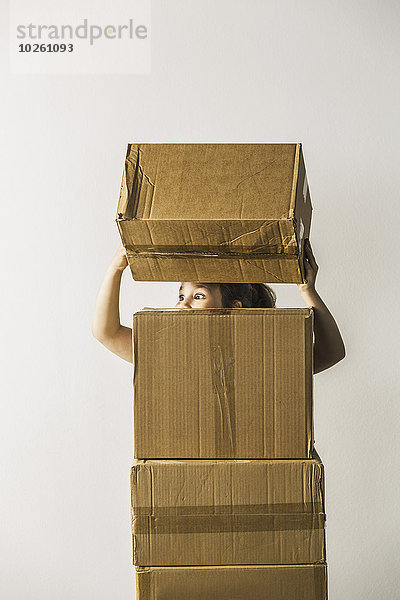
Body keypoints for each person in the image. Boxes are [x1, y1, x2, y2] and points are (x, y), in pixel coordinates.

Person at [91, 239, 345, 373]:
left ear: (234, 308)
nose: (184, 305)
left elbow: (331, 353)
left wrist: (307, 291)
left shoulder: (261, 358)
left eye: (198, 296)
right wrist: (116, 269)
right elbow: (107, 332)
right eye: (181, 297)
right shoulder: (171, 354)